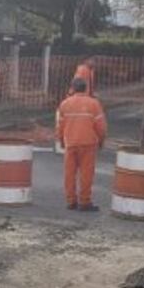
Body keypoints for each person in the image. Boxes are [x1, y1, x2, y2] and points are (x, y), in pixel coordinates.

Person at [56, 77, 107, 211]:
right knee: (86, 174)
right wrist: (101, 140)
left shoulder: (64, 104)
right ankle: (84, 202)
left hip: (70, 143)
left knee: (69, 173)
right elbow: (101, 126)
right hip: (88, 143)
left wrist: (61, 141)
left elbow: (60, 126)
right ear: (86, 88)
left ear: (72, 88)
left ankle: (71, 201)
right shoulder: (94, 104)